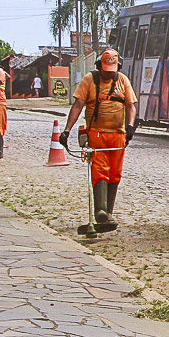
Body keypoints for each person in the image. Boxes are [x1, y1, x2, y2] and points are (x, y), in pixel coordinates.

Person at [62, 48, 138, 231]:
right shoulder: (90, 80)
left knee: (115, 173)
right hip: (97, 133)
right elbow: (78, 105)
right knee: (100, 170)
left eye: (112, 70)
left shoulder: (123, 80)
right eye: (105, 69)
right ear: (99, 66)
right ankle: (100, 211)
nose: (108, 73)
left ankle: (108, 214)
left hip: (118, 135)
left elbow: (131, 105)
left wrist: (130, 127)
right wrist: (66, 130)